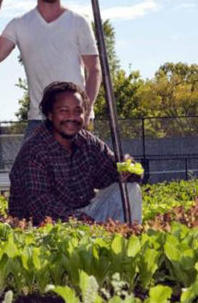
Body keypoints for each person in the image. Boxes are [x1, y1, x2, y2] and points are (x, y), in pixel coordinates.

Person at [0, 0, 102, 141]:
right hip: (38, 119)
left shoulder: (78, 22)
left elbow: (94, 69)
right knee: (28, 161)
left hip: (73, 119)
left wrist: (85, 110)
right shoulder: (19, 24)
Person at [8, 81, 142, 224]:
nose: (71, 117)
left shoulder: (88, 142)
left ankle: (127, 235)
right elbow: (40, 205)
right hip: (42, 227)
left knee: (130, 189)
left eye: (78, 111)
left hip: (83, 218)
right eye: (64, 111)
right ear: (50, 114)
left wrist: (128, 169)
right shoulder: (34, 150)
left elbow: (110, 173)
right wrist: (80, 221)